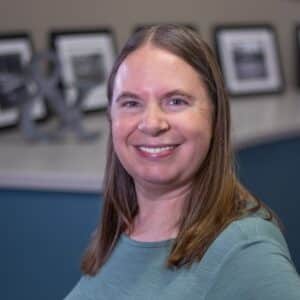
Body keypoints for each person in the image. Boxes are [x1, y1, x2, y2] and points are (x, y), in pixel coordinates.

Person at [64, 24, 300, 300]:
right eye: (130, 103)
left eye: (176, 101)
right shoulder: (121, 229)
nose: (151, 123)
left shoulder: (247, 251)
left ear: (215, 116)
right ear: (111, 116)